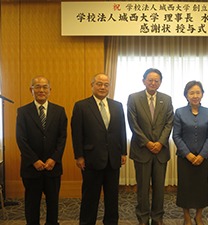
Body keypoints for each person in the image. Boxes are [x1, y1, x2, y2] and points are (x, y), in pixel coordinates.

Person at [71, 73, 127, 225]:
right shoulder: (81, 106)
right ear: (92, 85)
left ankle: (111, 222)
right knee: (90, 196)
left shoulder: (117, 105)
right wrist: (79, 156)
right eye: (99, 84)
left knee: (112, 197)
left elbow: (122, 130)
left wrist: (123, 152)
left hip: (113, 158)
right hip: (91, 159)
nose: (103, 87)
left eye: (106, 84)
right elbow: (77, 133)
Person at [16, 76, 67, 225]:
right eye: (37, 87)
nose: (41, 90)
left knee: (53, 204)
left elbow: (62, 138)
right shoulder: (23, 111)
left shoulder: (59, 111)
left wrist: (53, 159)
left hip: (53, 167)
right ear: (31, 90)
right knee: (32, 204)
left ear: (50, 90)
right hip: (31, 168)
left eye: (45, 87)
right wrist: (34, 160)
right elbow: (21, 139)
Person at [127, 68, 174, 225]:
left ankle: (157, 217)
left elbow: (169, 123)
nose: (153, 83)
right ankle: (142, 218)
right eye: (150, 80)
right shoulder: (133, 98)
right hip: (141, 150)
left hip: (161, 151)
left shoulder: (166, 99)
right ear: (143, 81)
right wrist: (147, 142)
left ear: (160, 83)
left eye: (156, 80)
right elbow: (133, 124)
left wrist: (160, 142)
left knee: (159, 188)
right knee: (143, 188)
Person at [173, 81, 208, 225]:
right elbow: (176, 136)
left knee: (201, 188)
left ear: (202, 94)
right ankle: (187, 217)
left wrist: (202, 155)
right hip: (185, 158)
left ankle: (198, 216)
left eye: (198, 92)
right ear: (186, 95)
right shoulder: (179, 112)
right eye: (191, 93)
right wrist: (188, 154)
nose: (195, 96)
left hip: (203, 158)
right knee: (185, 188)